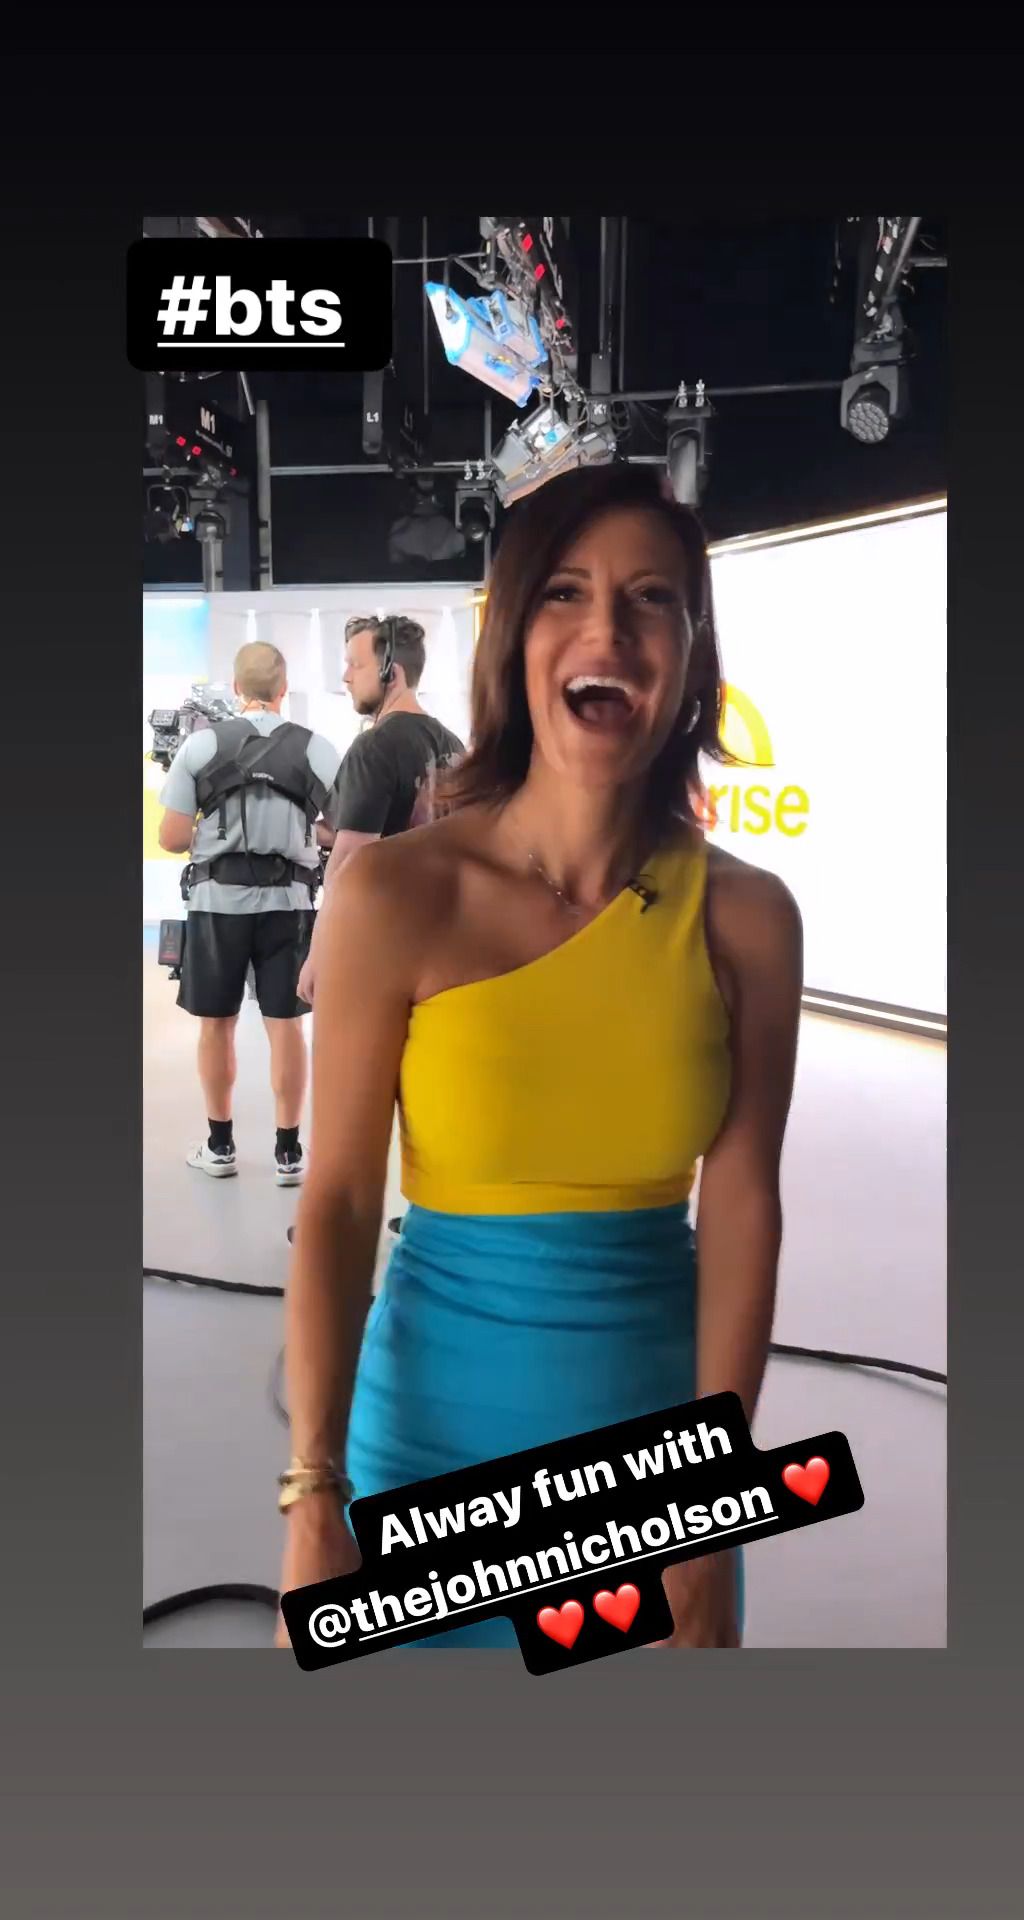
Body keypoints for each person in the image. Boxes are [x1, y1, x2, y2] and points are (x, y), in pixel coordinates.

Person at [276, 465, 803, 1650]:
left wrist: (711, 1518)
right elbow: (342, 1200)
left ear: (691, 656)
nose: (606, 630)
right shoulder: (397, 894)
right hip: (421, 1456)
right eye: (565, 592)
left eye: (651, 598)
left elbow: (744, 1206)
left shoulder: (749, 918)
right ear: (515, 639)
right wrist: (312, 1493)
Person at [158, 641, 342, 1187]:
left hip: (217, 905)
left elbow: (171, 837)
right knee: (286, 1026)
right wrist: (295, 828)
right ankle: (289, 1153)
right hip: (290, 907)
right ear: (284, 689)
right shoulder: (316, 748)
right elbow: (343, 828)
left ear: (237, 689)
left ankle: (220, 1147)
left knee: (217, 1025)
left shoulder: (202, 746)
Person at [297, 614, 464, 1005]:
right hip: (444, 944)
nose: (346, 677)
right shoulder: (454, 745)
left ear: (392, 672)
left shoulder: (374, 748)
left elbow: (348, 862)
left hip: (381, 944)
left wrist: (319, 954)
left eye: (356, 665)